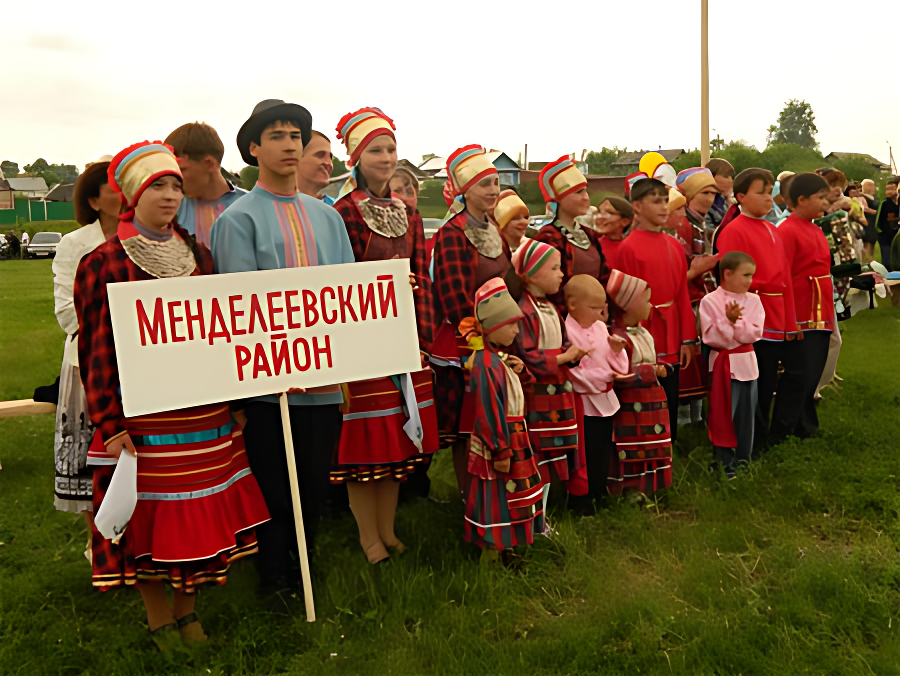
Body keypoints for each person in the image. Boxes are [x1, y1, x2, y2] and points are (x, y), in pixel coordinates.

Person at [75, 141, 270, 651]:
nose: (169, 196)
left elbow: (220, 334)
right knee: (152, 517)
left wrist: (235, 401)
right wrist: (110, 423)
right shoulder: (104, 262)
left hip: (203, 408)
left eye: (176, 186)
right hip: (144, 416)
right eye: (157, 185)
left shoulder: (198, 255)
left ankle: (188, 610)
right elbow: (98, 350)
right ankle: (159, 614)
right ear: (133, 193)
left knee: (197, 512)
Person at [210, 100, 355, 592]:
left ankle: (305, 565)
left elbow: (350, 297)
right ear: (254, 148)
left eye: (296, 135)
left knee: (314, 482)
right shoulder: (237, 220)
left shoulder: (328, 218)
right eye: (276, 135)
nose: (290, 144)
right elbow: (238, 310)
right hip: (269, 388)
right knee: (274, 483)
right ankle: (274, 578)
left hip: (326, 381)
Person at [330, 107, 437, 563]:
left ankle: (389, 530)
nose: (387, 156)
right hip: (360, 341)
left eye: (392, 148)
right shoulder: (342, 212)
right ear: (356, 155)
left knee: (395, 440)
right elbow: (337, 279)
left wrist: (421, 335)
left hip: (401, 336)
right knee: (365, 444)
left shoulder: (408, 215)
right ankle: (367, 536)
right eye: (376, 149)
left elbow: (420, 274)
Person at [430, 144, 507, 495]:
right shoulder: (452, 233)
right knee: (470, 424)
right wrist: (480, 341)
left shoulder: (495, 228)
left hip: (500, 335)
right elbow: (453, 297)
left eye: (495, 183)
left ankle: (502, 491)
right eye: (484, 184)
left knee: (500, 417)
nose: (493, 191)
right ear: (465, 190)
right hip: (467, 342)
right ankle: (470, 497)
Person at [51, 157, 117, 552]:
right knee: (93, 460)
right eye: (115, 186)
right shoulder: (74, 245)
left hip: (142, 364)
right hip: (89, 365)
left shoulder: (148, 238)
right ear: (94, 200)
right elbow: (66, 314)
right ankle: (102, 545)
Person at [713, 167, 797, 449]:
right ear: (740, 196)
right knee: (752, 382)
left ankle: (761, 436)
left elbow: (785, 277)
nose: (768, 199)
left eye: (768, 192)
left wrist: (790, 321)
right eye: (760, 192)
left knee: (768, 379)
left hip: (774, 311)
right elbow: (732, 281)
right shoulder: (733, 231)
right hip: (749, 316)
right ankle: (749, 439)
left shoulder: (773, 229)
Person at [464, 278, 544, 553]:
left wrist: (521, 372)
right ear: (494, 326)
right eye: (510, 324)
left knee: (511, 493)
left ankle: (508, 544)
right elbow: (488, 409)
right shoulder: (485, 365)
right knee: (496, 495)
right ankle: (492, 548)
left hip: (513, 439)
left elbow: (521, 395)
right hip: (499, 443)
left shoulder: (500, 361)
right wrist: (500, 450)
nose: (516, 330)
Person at [615, 177, 697, 441]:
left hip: (671, 330)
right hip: (644, 333)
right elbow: (625, 301)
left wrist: (686, 338)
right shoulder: (627, 248)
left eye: (665, 201)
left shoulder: (674, 244)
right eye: (655, 201)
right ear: (636, 206)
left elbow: (681, 294)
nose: (663, 207)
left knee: (670, 393)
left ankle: (668, 448)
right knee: (644, 395)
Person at [508, 239, 584, 520]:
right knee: (538, 455)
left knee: (553, 456)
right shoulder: (525, 311)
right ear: (530, 273)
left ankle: (543, 514)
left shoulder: (551, 307)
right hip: (538, 394)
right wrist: (563, 359)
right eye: (554, 268)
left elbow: (562, 342)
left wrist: (571, 354)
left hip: (558, 393)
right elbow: (527, 354)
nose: (561, 274)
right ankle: (533, 515)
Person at [776, 173, 835, 436]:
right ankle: (785, 426)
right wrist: (789, 320)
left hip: (820, 308)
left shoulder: (815, 228)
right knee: (798, 373)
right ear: (801, 199)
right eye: (820, 198)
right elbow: (783, 277)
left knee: (814, 370)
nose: (825, 203)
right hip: (801, 311)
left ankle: (805, 422)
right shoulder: (787, 231)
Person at [606, 270, 673, 495]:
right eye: (645, 300)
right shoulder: (618, 338)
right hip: (632, 405)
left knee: (652, 444)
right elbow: (619, 373)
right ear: (628, 305)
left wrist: (662, 366)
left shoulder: (643, 331)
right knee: (633, 446)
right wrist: (651, 371)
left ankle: (653, 488)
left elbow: (650, 357)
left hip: (651, 403)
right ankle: (630, 491)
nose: (650, 305)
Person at [564, 275, 629, 502]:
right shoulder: (567, 331)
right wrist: (602, 377)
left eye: (601, 308)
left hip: (605, 397)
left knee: (603, 446)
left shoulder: (600, 327)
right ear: (572, 305)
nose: (598, 314)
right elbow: (573, 372)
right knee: (586, 450)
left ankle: (600, 492)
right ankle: (583, 496)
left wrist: (617, 351)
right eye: (593, 308)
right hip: (584, 401)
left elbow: (617, 366)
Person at [700, 252, 764, 477]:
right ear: (727, 274)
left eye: (751, 275)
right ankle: (725, 464)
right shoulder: (710, 301)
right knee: (724, 415)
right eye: (745, 275)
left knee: (746, 417)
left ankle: (743, 462)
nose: (749, 281)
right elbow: (713, 338)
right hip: (723, 366)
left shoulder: (754, 300)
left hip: (747, 364)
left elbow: (755, 333)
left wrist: (734, 324)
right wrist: (728, 322)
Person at [532, 155, 608, 315]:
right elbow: (551, 291)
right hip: (567, 321)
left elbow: (604, 276)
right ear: (560, 199)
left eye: (586, 191)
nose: (586, 197)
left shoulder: (589, 234)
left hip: (596, 319)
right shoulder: (548, 238)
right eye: (578, 192)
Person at [164, 122, 245, 248]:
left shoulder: (253, 207)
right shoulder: (170, 209)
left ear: (209, 164)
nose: (175, 179)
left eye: (181, 170)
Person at [593, 197, 633, 269]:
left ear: (625, 222)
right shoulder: (592, 246)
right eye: (599, 211)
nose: (600, 217)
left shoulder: (631, 250)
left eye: (609, 213)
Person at [295, 130, 335, 201]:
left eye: (330, 157)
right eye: (320, 155)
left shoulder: (339, 208)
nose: (329, 163)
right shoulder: (271, 206)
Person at [703, 158, 734, 232]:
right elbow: (708, 231)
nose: (730, 180)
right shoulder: (706, 202)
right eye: (726, 176)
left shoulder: (722, 200)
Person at [876, 178, 899, 270]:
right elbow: (890, 219)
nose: (890, 192)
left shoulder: (896, 203)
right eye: (888, 189)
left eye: (893, 188)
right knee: (887, 262)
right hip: (886, 236)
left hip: (893, 235)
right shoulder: (887, 204)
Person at [860, 178, 879, 261]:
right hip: (866, 224)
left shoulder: (875, 198)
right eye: (871, 185)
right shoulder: (861, 197)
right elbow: (864, 209)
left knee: (872, 244)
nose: (873, 188)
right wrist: (878, 212)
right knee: (867, 244)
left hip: (874, 224)